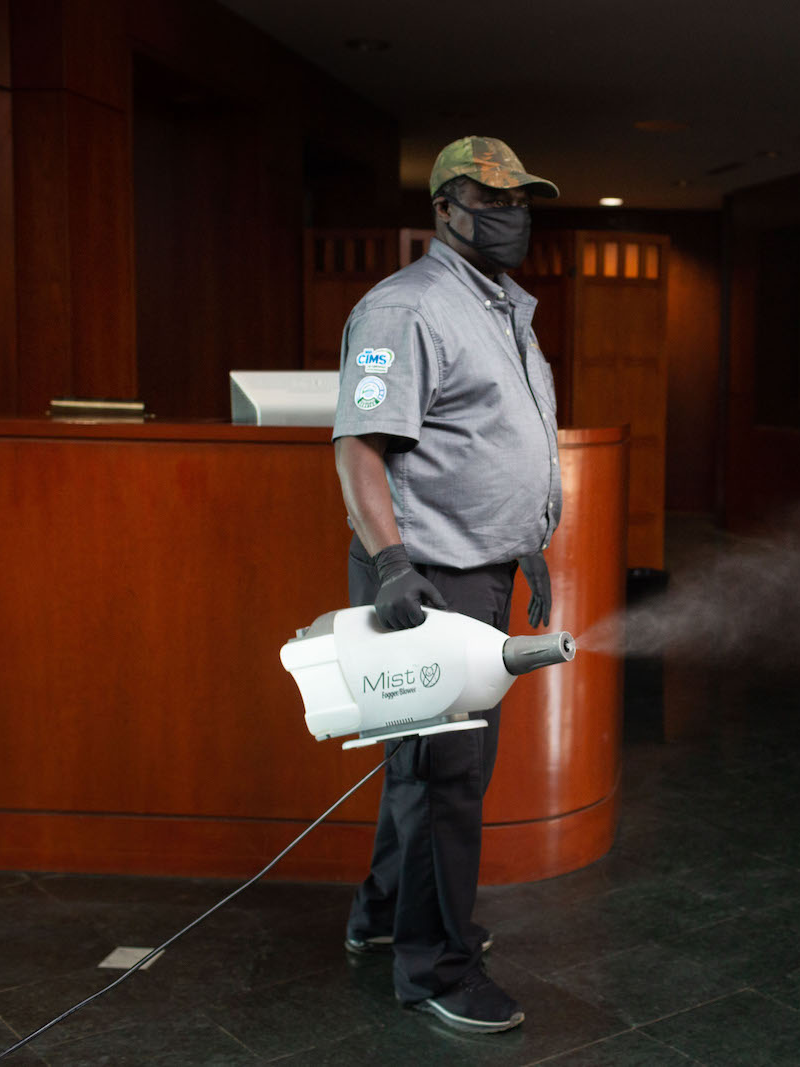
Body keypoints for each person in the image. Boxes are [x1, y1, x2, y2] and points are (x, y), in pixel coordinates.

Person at [330, 135, 562, 1034]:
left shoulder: (500, 306)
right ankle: (436, 966)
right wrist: (390, 563)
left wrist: (524, 543)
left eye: (521, 199)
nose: (513, 214)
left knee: (420, 764)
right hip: (425, 577)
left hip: (481, 564)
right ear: (444, 209)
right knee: (447, 772)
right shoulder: (405, 308)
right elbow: (359, 443)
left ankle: (388, 917)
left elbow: (486, 442)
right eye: (491, 199)